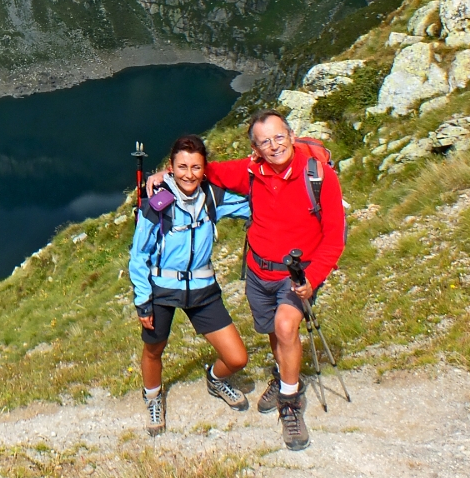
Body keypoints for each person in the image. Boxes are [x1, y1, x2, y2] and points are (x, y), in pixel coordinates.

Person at [151, 109, 346, 451]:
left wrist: (313, 279)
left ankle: (290, 402)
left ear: (291, 134)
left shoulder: (318, 177)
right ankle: (282, 373)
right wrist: (164, 174)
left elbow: (335, 237)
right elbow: (200, 169)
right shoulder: (251, 171)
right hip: (258, 272)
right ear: (255, 149)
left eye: (279, 137)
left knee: (286, 326)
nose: (275, 146)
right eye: (265, 142)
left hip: (297, 273)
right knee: (273, 329)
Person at [128, 134, 252, 436]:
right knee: (153, 350)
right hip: (162, 290)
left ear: (204, 168)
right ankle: (153, 398)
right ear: (171, 167)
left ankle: (215, 378)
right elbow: (139, 255)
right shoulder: (157, 204)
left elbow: (254, 206)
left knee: (237, 358)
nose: (189, 174)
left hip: (203, 289)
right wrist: (143, 301)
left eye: (196, 167)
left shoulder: (212, 197)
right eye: (182, 167)